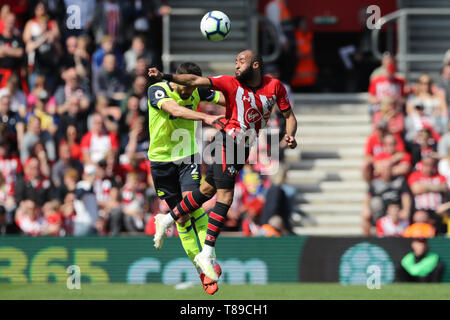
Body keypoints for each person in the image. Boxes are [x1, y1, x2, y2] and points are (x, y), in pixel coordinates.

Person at [148, 49, 298, 283]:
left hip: (244, 147)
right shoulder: (229, 83)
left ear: (256, 65)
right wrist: (165, 75)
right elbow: (195, 81)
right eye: (235, 61)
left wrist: (290, 135)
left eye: (241, 61)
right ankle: (207, 253)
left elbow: (289, 116)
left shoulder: (276, 87)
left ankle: (167, 219)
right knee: (225, 197)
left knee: (206, 191)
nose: (236, 65)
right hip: (228, 141)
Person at [147, 62, 226, 294]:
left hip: (186, 156)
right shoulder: (158, 90)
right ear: (177, 80)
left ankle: (208, 260)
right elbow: (174, 110)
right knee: (180, 218)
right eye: (187, 87)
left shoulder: (197, 90)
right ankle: (202, 269)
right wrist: (207, 118)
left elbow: (224, 98)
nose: (191, 92)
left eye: (193, 87)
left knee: (191, 202)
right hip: (161, 161)